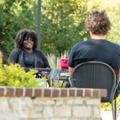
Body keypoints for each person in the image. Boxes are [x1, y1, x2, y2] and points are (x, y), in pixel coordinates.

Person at [68, 10, 120, 78]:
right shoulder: (117, 50)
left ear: (89, 28)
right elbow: (118, 77)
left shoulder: (77, 48)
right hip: (109, 89)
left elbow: (71, 75)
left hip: (82, 88)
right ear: (107, 28)